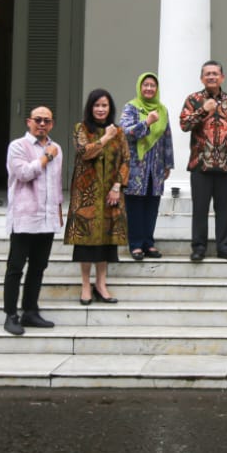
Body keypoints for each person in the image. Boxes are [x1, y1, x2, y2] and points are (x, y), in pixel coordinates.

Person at [3, 106, 64, 335]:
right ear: (29, 122)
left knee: (39, 267)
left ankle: (30, 310)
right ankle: (10, 314)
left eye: (46, 120)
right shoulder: (18, 146)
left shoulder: (56, 148)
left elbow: (56, 184)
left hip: (47, 218)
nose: (42, 124)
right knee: (16, 267)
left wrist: (58, 214)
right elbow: (24, 174)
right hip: (25, 216)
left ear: (52, 124)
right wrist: (45, 157)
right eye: (38, 120)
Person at [65, 88, 129, 304]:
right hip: (87, 195)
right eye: (96, 105)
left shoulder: (118, 132)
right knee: (85, 242)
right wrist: (105, 139)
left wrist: (117, 186)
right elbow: (84, 153)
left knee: (106, 241)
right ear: (90, 107)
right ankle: (85, 285)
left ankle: (101, 284)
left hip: (110, 194)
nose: (100, 109)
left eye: (104, 105)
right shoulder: (80, 128)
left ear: (110, 108)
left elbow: (126, 160)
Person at [179, 59, 227, 261]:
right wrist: (203, 110)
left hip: (226, 164)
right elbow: (184, 124)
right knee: (200, 209)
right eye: (207, 74)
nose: (211, 77)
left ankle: (224, 247)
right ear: (201, 78)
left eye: (215, 73)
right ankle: (198, 248)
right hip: (201, 164)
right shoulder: (193, 99)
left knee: (225, 209)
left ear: (222, 77)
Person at [119, 72, 173, 261]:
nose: (149, 88)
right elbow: (126, 132)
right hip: (136, 166)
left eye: (152, 85)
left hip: (156, 167)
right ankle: (135, 245)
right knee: (135, 206)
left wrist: (168, 164)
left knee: (152, 206)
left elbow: (167, 138)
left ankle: (148, 243)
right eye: (146, 85)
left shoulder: (162, 110)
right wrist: (147, 122)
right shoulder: (131, 107)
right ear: (140, 87)